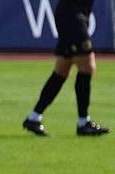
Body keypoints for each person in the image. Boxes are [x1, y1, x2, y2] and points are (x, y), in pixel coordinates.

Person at [22, 0, 109, 136]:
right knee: (87, 66)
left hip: (73, 14)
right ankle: (83, 123)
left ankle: (33, 117)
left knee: (62, 71)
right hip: (72, 17)